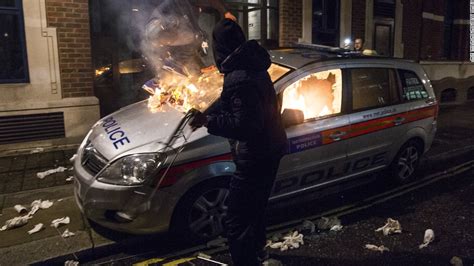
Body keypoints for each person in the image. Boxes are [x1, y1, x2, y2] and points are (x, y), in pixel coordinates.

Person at [190, 19, 287, 266]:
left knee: (236, 217)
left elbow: (245, 126)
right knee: (254, 209)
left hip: (255, 155)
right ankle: (257, 254)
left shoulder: (238, 76)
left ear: (219, 47)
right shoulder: (251, 63)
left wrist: (207, 121)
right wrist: (208, 109)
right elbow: (235, 102)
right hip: (271, 148)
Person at [145, 0, 236, 75]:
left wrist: (202, 68)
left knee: (193, 40)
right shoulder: (173, 10)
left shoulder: (189, 28)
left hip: (171, 33)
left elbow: (191, 50)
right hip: (161, 28)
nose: (200, 10)